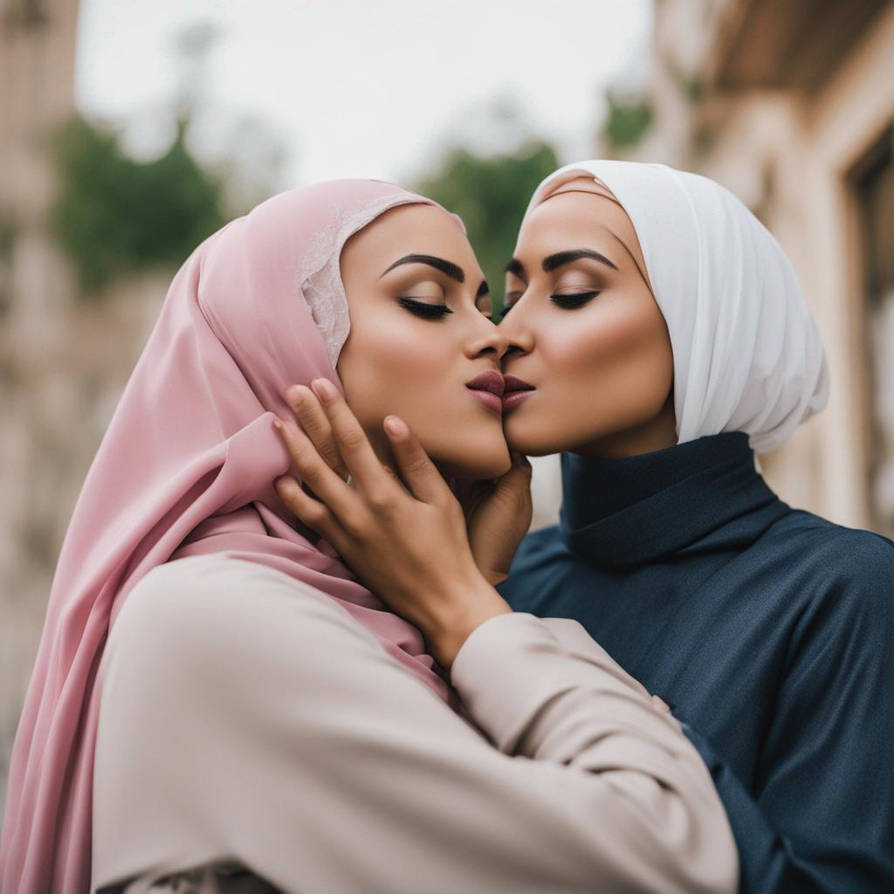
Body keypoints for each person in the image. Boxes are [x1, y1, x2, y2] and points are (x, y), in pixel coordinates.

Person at [0, 180, 736, 893]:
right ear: (284, 347)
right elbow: (665, 852)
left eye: (483, 304)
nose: (497, 337)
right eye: (426, 301)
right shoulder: (210, 615)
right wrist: (465, 608)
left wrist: (455, 597)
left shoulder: (342, 612)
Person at [492, 160, 894, 891]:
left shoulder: (843, 592)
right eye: (513, 295)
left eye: (572, 291)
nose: (507, 333)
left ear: (705, 324)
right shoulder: (501, 579)